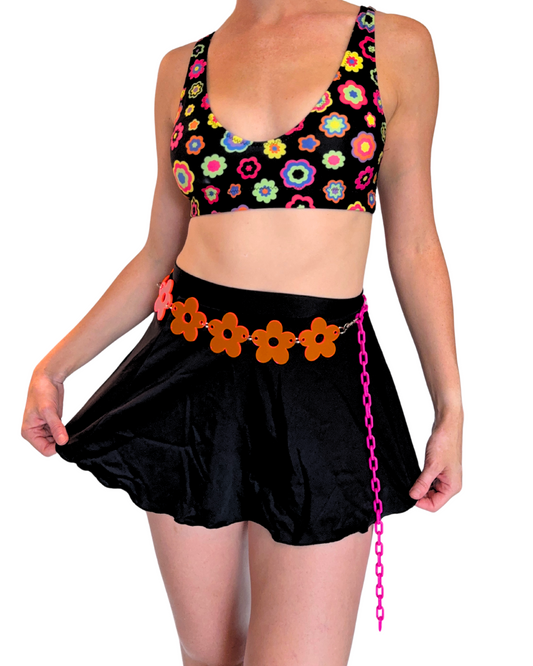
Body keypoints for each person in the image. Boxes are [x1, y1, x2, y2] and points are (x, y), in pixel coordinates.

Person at [21, 1, 463, 663]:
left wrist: (449, 408)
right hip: (189, 378)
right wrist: (54, 367)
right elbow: (158, 253)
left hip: (318, 381)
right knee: (211, 657)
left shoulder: (391, 46)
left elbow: (416, 243)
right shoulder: (182, 67)